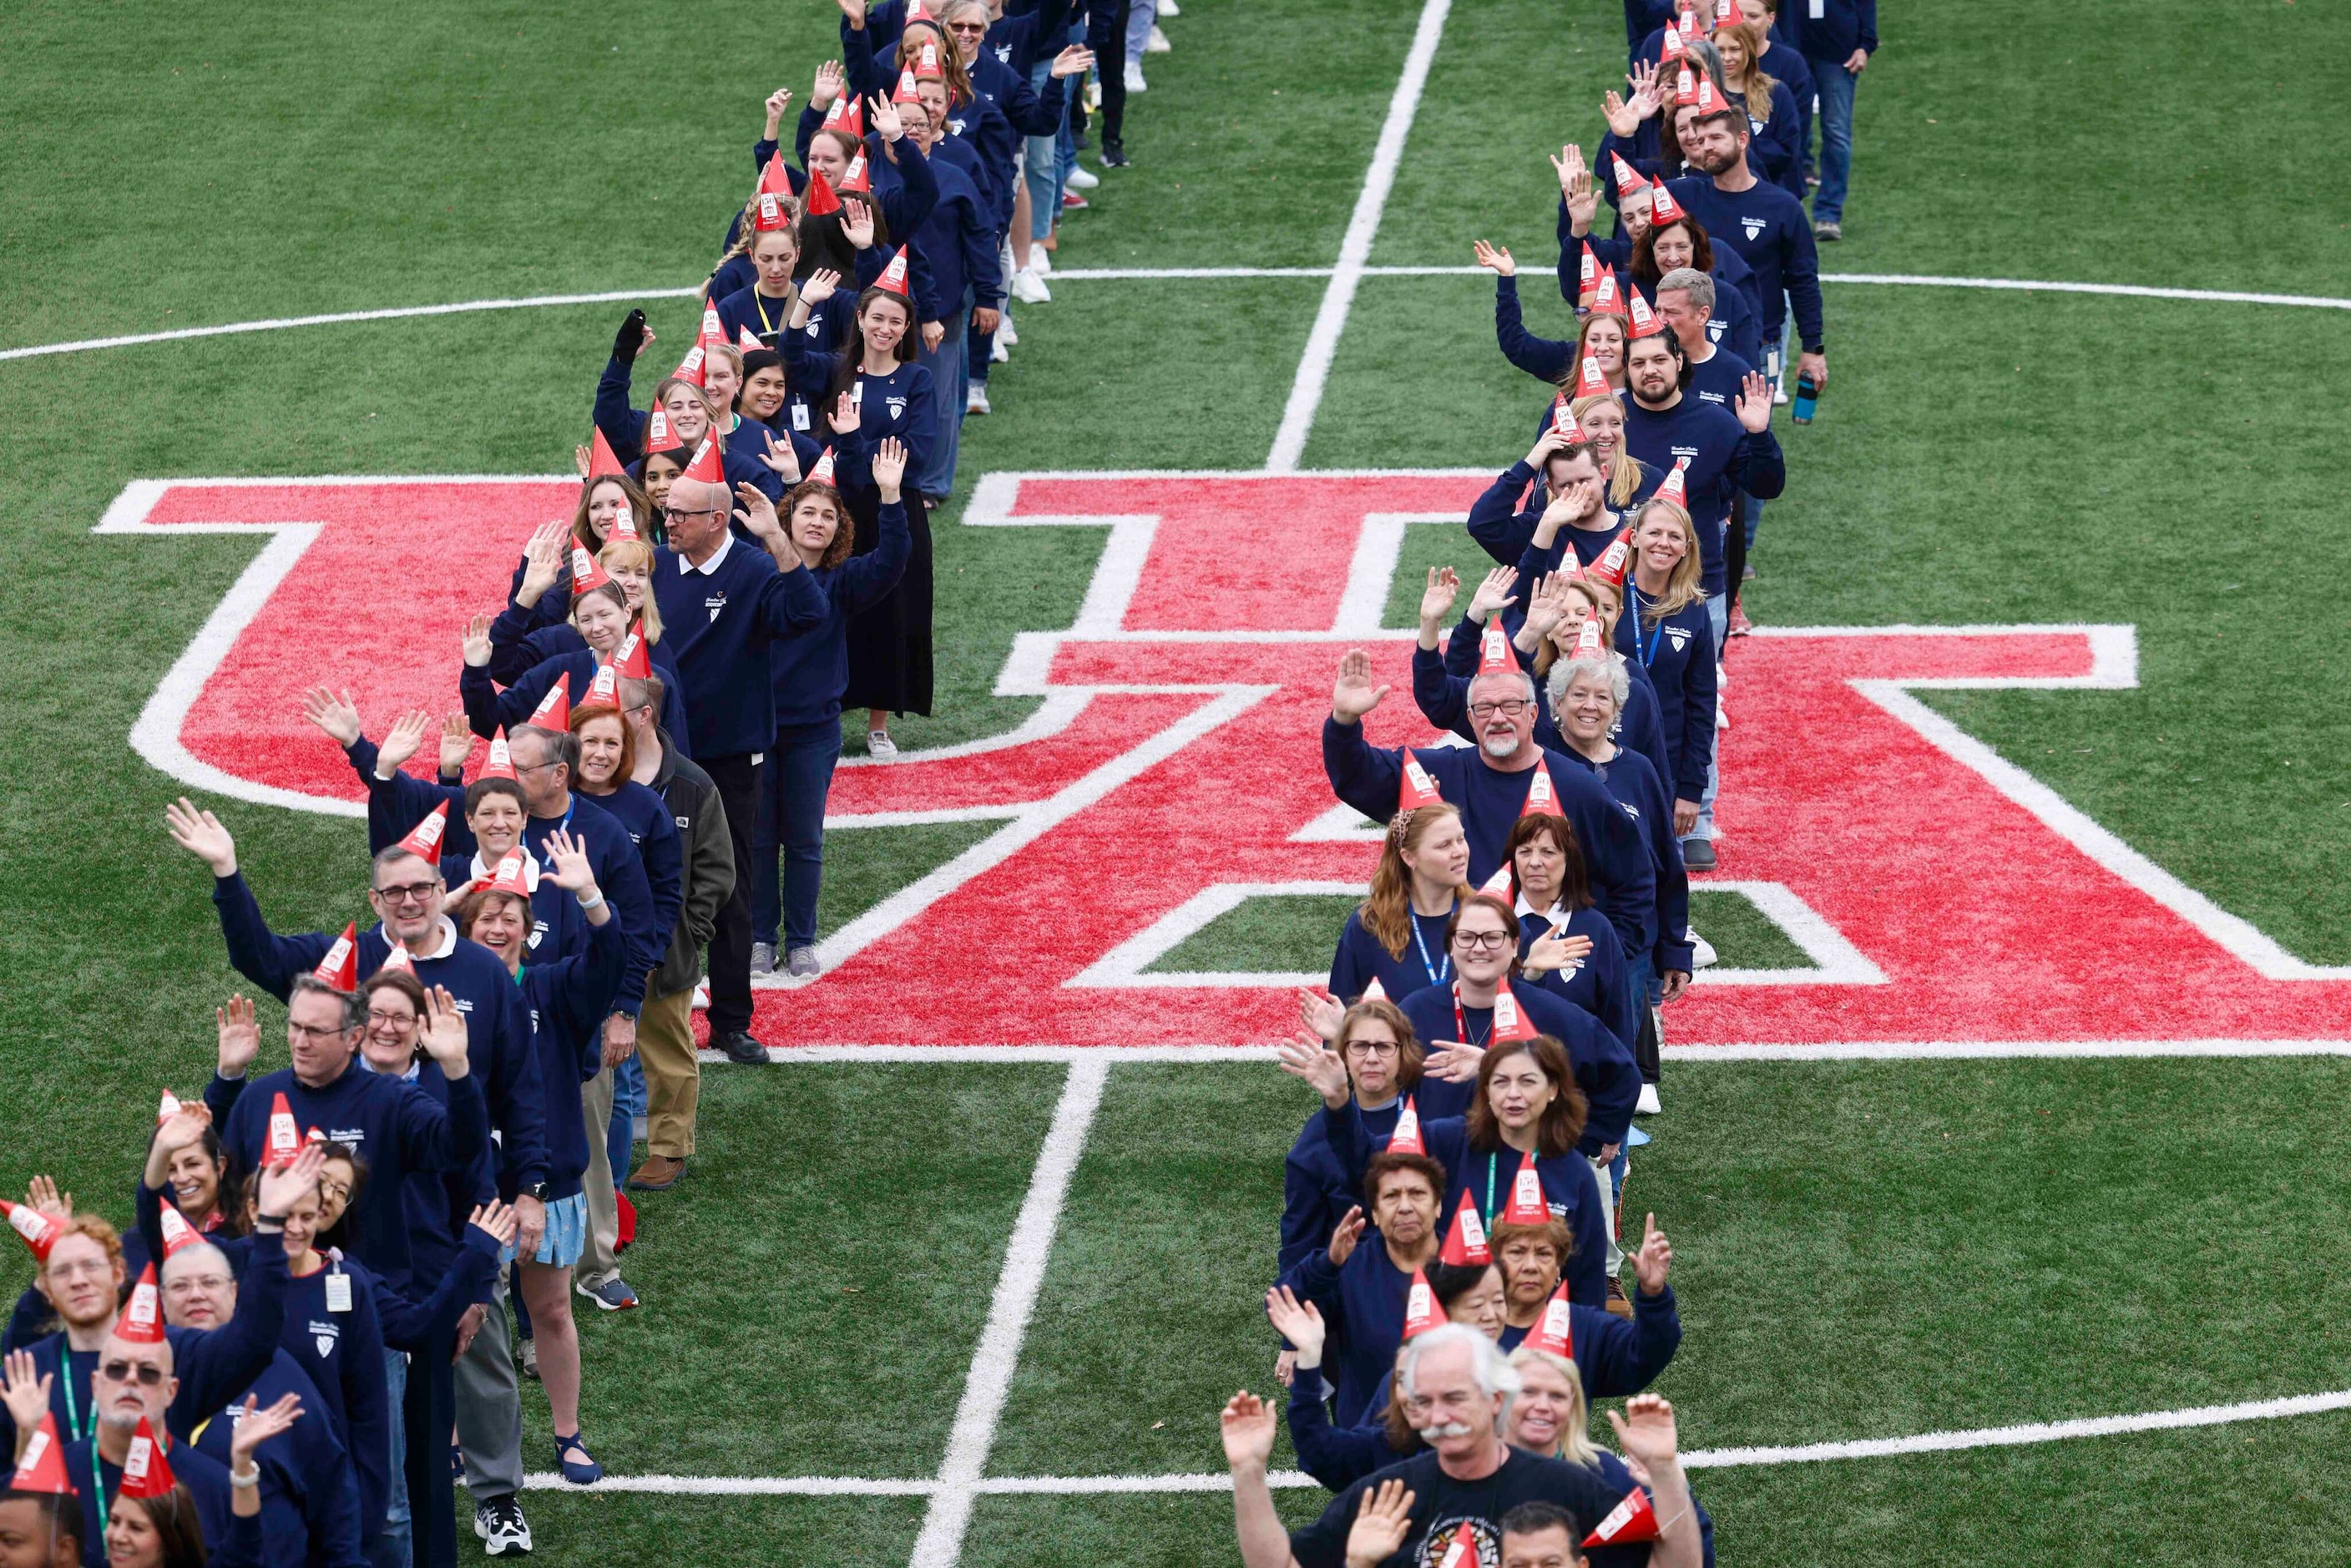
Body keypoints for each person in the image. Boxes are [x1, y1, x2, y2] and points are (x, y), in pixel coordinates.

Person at [1222, 1326, 1702, 1568]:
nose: (1439, 1416)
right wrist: (1247, 1473)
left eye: (1455, 1397)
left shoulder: (1571, 1488)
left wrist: (1665, 1471)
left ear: (1496, 1399)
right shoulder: (1386, 1496)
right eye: (1424, 1402)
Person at [450, 833, 623, 1485]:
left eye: (510, 917)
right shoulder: (443, 990)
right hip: (468, 1189)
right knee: (463, 1314)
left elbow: (611, 961)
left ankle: (567, 1434)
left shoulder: (553, 989)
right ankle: (456, 1437)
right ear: (468, 925)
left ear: (529, 929)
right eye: (486, 916)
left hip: (548, 1185)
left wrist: (590, 895)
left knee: (550, 1310)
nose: (497, 926)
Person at [647, 469, 832, 1064]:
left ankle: (731, 1022)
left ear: (718, 520)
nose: (668, 520)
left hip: (729, 762)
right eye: (667, 510)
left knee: (730, 891)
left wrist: (778, 539)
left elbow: (809, 614)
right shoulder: (652, 565)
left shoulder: (754, 569)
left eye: (680, 513)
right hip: (656, 756)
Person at [1321, 650, 1656, 965]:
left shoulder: (1578, 786)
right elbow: (1360, 777)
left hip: (1554, 966)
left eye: (1511, 705)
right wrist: (1345, 722)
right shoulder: (1443, 770)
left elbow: (1633, 878)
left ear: (1533, 713)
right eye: (1485, 708)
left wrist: (1610, 955)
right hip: (1465, 962)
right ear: (1470, 717)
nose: (1498, 718)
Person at [731, 440, 914, 980]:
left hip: (814, 730)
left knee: (805, 839)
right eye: (807, 512)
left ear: (840, 530)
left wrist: (889, 496)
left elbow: (894, 559)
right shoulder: (754, 572)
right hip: (757, 728)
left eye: (828, 515)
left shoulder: (846, 581)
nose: (817, 522)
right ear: (786, 520)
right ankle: (763, 937)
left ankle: (802, 940)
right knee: (761, 838)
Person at [1299, 1026, 1615, 1308]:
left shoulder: (1575, 1176)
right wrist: (1340, 1100)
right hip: (1449, 1326)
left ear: (1552, 1090)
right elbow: (1365, 1160)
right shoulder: (1450, 1140)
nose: (1513, 1095)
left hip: (1529, 1341)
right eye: (1501, 1082)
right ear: (1487, 1092)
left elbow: (1586, 1287)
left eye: (1528, 1081)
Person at [782, 265, 936, 756]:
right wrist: (806, 301)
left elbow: (917, 452)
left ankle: (878, 724)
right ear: (861, 319)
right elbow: (788, 357)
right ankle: (824, 709)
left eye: (895, 321)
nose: (885, 329)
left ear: (905, 329)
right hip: (839, 512)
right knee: (830, 607)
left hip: (894, 509)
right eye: (877, 318)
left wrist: (851, 442)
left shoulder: (917, 379)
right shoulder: (835, 368)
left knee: (892, 609)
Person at [154, 1240, 368, 1568]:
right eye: (180, 1286)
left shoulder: (283, 1376)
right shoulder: (134, 1373)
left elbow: (333, 1491)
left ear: (234, 1291)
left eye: (210, 1282)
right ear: (163, 1300)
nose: (196, 1294)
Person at [1549, 645, 1693, 1105]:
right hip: (1553, 942)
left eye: (1601, 697)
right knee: (1555, 1058)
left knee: (1616, 1062)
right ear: (1556, 704)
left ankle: (1612, 1157)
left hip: (1628, 947)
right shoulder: (1538, 767)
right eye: (1578, 695)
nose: (1589, 706)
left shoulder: (1639, 770)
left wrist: (1674, 949)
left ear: (1616, 709)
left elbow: (1667, 866)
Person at [608, 672, 731, 1192]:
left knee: (667, 1053)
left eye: (614, 711)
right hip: (600, 944)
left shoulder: (693, 785)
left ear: (644, 716)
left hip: (666, 950)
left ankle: (669, 1148)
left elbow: (716, 870)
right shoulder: (595, 780)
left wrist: (689, 931)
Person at [1270, 1150, 1445, 1427]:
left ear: (1438, 1205)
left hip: (1454, 1444)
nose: (1405, 1207)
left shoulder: (1469, 1266)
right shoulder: (1349, 1269)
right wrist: (1327, 1263)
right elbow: (1283, 1303)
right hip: (1368, 1445)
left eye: (1417, 1194)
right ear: (1375, 1213)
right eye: (1391, 1196)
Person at [1666, 102, 1824, 398]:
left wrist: (1813, 348)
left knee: (1758, 425)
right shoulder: (1681, 197)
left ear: (1742, 139)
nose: (1705, 147)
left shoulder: (1783, 207)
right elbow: (1627, 200)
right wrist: (1623, 135)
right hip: (1688, 342)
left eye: (1716, 138)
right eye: (1701, 141)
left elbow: (1803, 280)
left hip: (1765, 344)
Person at [1277, 1000, 1423, 1284]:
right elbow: (1299, 1244)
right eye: (1359, 1046)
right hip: (1354, 1289)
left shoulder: (1432, 1113)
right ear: (1342, 1055)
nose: (1371, 1058)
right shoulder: (1316, 1136)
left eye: (1383, 1047)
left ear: (1403, 1053)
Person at [1610, 493, 1718, 872]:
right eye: (1654, 532)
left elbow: (1702, 705)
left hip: (1664, 761)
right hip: (1600, 750)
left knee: (1659, 869)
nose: (1664, 543)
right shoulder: (1607, 595)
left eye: (1675, 537)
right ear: (1634, 537)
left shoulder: (1695, 609)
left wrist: (1691, 790)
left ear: (1687, 548)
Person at [1490, 1211, 1681, 1392]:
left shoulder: (1582, 1327)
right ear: (1496, 1264)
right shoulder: (1471, 1323)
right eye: (1517, 1252)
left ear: (1558, 1269)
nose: (1531, 1266)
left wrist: (1653, 1294)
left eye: (1543, 1254)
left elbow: (1643, 1357)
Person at [1327, 804, 1469, 1007]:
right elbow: (1341, 1017)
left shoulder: (1487, 912)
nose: (1459, 852)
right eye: (1444, 845)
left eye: (1461, 839)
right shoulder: (1369, 926)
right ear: (1409, 857)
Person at [1792, 0, 1873, 240]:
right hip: (1791, 50)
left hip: (1839, 53)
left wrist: (1865, 45)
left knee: (1837, 133)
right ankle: (1788, 211)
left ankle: (1828, 214)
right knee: (1788, 130)